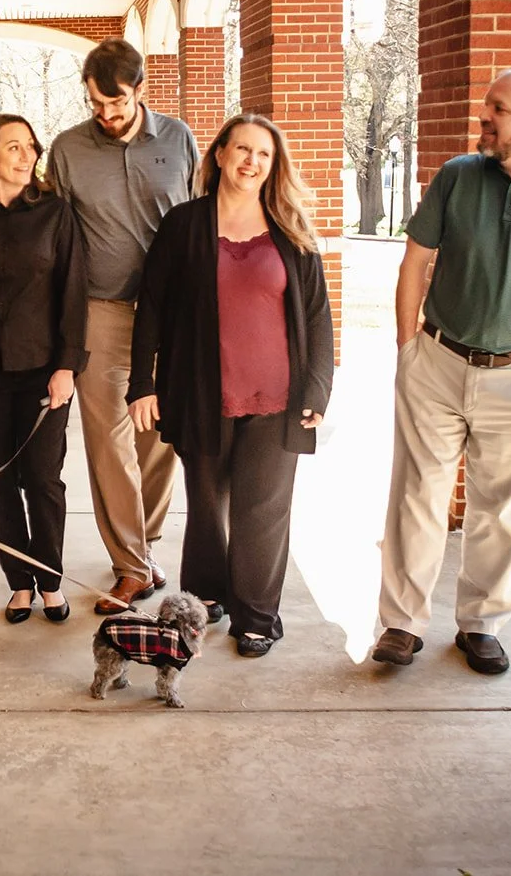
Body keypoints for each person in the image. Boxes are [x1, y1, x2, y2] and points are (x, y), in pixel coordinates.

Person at [372, 68, 511, 674]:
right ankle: (400, 623)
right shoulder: (459, 176)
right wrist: (407, 346)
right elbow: (416, 259)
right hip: (436, 362)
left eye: (499, 107)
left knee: (499, 508)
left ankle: (482, 624)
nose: (483, 116)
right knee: (417, 496)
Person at [128, 115, 332, 657]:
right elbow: (151, 306)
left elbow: (316, 315)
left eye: (263, 154)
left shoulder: (290, 228)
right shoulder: (184, 224)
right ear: (218, 154)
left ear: (273, 165)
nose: (251, 161)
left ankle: (258, 615)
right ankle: (207, 594)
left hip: (278, 398)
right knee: (207, 501)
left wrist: (318, 389)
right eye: (242, 149)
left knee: (261, 510)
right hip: (201, 393)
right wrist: (141, 384)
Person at [47, 37, 198, 614]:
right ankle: (131, 566)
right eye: (95, 106)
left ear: (140, 90)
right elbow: (54, 239)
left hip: (171, 314)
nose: (106, 117)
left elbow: (199, 218)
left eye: (117, 105)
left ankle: (147, 545)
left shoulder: (179, 139)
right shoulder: (67, 150)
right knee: (109, 441)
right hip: (100, 312)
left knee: (159, 437)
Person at [0, 114, 87, 623]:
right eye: (13, 147)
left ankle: (50, 581)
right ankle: (18, 583)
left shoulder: (55, 212)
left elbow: (73, 294)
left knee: (43, 479)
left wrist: (67, 366)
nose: (26, 155)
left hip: (44, 369)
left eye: (30, 146)